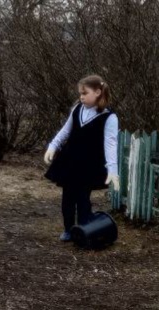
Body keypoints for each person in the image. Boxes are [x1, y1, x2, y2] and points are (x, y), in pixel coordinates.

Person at [44, 75, 119, 242]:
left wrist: (113, 169)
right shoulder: (78, 109)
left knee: (83, 198)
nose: (81, 97)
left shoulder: (109, 117)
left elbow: (111, 145)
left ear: (98, 92)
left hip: (89, 165)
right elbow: (65, 131)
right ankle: (69, 229)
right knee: (67, 198)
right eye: (80, 93)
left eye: (85, 93)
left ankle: (86, 229)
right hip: (70, 161)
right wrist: (53, 146)